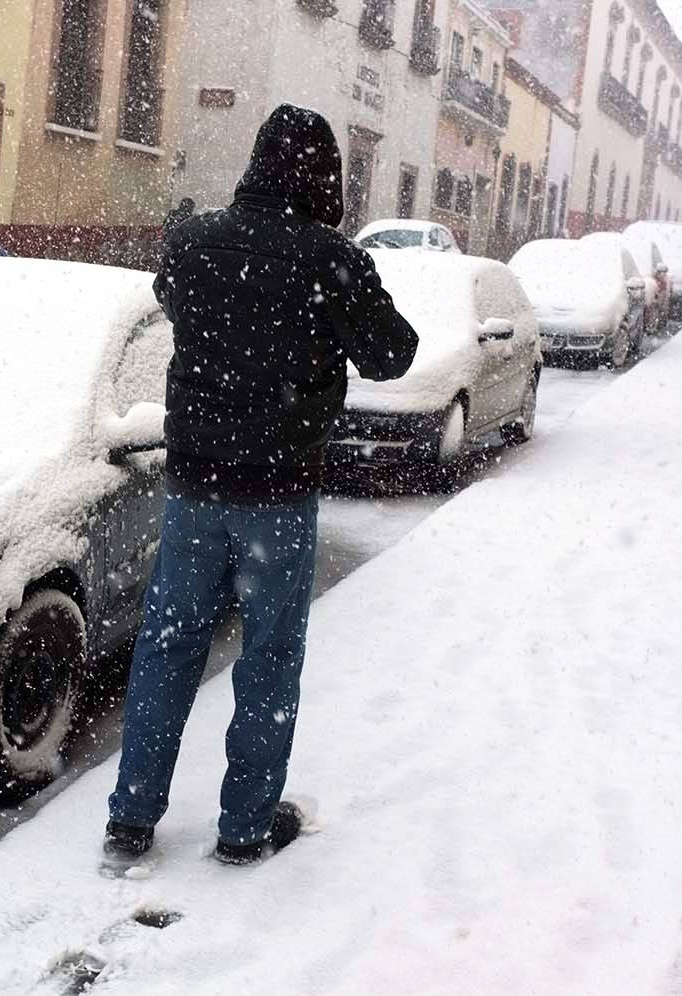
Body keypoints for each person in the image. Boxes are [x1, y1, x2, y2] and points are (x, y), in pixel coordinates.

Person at [103, 103, 419, 866]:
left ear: (255, 162)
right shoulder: (330, 259)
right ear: (326, 176)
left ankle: (133, 817)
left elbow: (177, 304)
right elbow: (392, 355)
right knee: (270, 657)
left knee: (167, 647)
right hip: (277, 495)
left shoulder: (191, 243)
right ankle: (244, 826)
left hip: (194, 487)